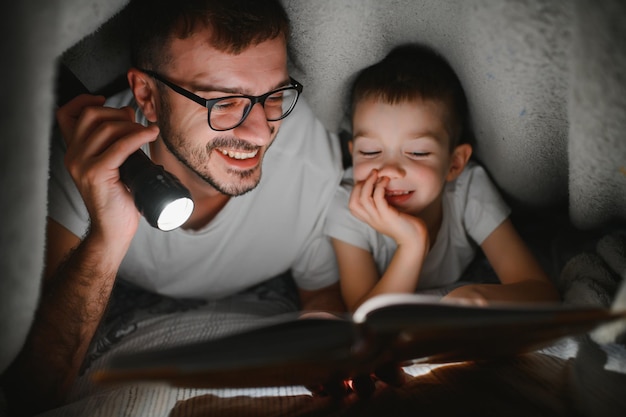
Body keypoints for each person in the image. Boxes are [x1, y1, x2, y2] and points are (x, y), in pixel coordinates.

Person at [2, 1, 348, 415]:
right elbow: (33, 393)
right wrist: (107, 235)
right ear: (147, 96)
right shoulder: (87, 162)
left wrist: (321, 331)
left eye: (273, 95)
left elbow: (323, 291)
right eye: (223, 102)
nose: (259, 133)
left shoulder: (312, 162)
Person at [324, 43, 560, 312]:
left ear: (455, 164)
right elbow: (364, 316)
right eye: (371, 151)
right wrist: (412, 243)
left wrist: (478, 296)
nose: (389, 170)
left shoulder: (467, 189)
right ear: (353, 154)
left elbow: (542, 292)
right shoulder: (346, 204)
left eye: (417, 152)